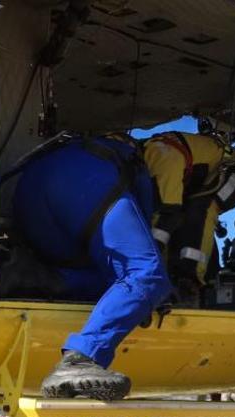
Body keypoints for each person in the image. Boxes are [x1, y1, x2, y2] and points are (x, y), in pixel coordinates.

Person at [12, 135, 173, 400]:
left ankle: (32, 278)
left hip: (29, 189)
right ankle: (81, 357)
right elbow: (144, 244)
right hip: (84, 179)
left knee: (109, 283)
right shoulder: (161, 162)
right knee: (148, 273)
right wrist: (151, 295)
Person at [142, 132, 235, 302]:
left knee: (199, 211)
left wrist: (144, 260)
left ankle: (189, 281)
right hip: (199, 179)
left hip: (234, 171)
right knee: (177, 217)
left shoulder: (161, 158)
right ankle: (169, 276)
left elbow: (168, 216)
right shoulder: (144, 164)